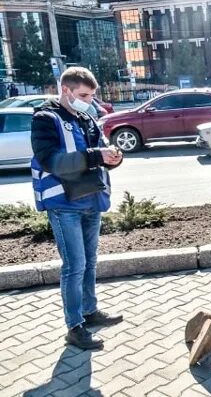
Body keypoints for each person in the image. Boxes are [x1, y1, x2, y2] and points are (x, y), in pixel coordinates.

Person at [30, 67, 124, 350]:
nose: (88, 100)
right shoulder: (45, 119)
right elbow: (52, 161)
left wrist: (113, 157)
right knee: (74, 266)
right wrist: (96, 155)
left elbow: (100, 148)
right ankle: (74, 326)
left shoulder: (86, 117)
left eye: (92, 96)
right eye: (84, 95)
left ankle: (89, 311)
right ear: (66, 90)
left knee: (90, 262)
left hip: (90, 200)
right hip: (64, 204)